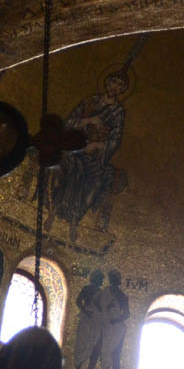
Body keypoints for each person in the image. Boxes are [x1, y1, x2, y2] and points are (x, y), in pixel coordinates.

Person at [48, 67, 129, 244]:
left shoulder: (118, 113)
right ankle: (55, 211)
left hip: (94, 155)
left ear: (123, 89)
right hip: (74, 149)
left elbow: (115, 139)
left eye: (120, 85)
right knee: (74, 171)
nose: (115, 87)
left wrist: (98, 145)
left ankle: (75, 218)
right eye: (113, 82)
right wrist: (89, 121)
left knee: (98, 182)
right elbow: (69, 123)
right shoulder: (90, 102)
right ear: (107, 82)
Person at [89, 271, 131, 369]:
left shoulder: (122, 297)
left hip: (117, 329)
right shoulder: (103, 293)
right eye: (112, 278)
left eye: (115, 278)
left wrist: (114, 320)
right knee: (104, 352)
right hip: (104, 326)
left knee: (116, 355)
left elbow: (127, 314)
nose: (113, 281)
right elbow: (94, 303)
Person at [71, 270, 107, 369]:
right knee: (83, 345)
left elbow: (102, 308)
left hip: (95, 321)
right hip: (87, 320)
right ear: (96, 279)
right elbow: (78, 301)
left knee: (95, 346)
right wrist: (86, 311)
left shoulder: (101, 292)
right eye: (101, 279)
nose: (102, 281)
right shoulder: (87, 289)